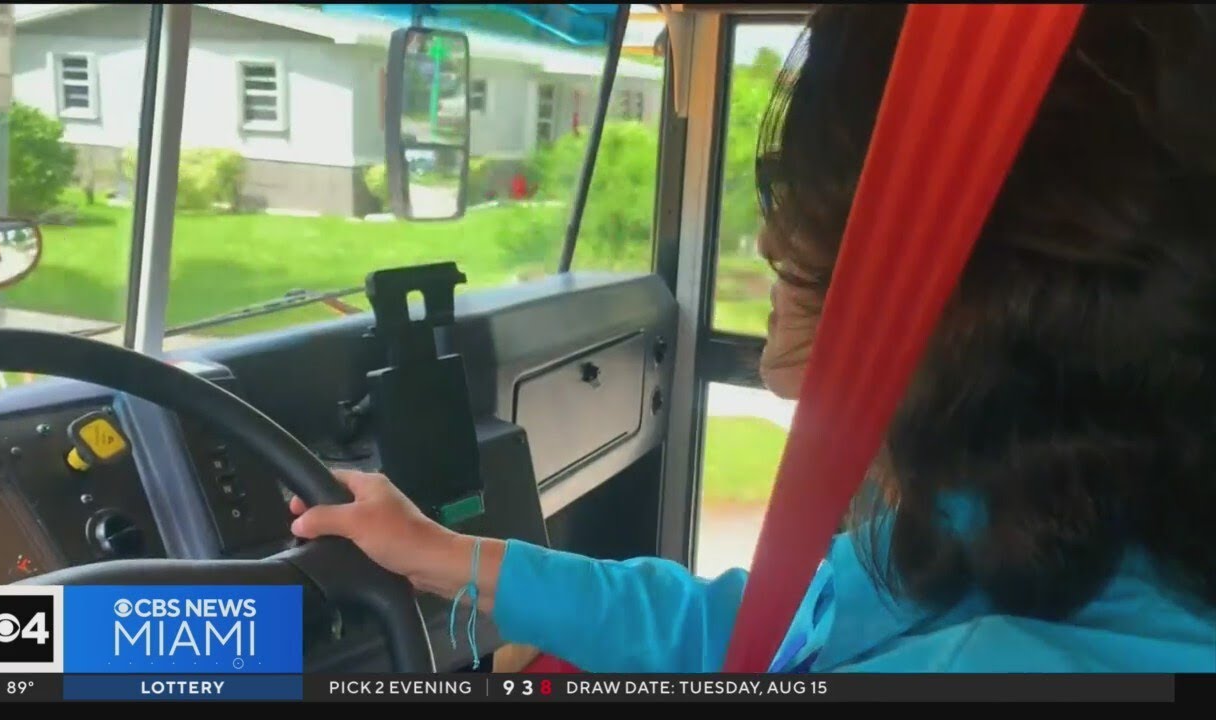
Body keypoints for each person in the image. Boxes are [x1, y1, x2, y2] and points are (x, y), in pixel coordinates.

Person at [290, 4, 1216, 672]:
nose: (769, 242)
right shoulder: (996, 524)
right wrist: (443, 554)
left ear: (991, 304)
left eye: (811, 228)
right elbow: (742, 635)